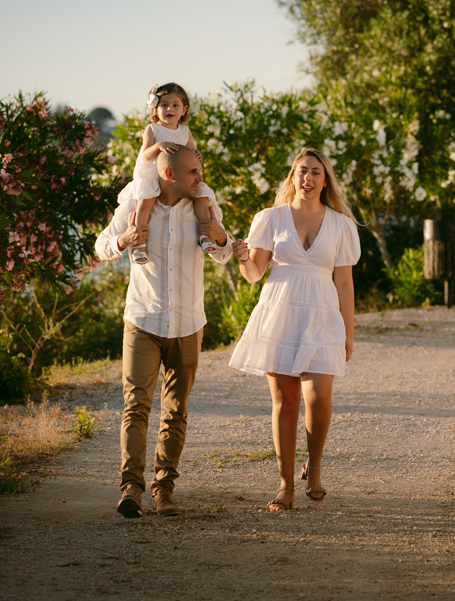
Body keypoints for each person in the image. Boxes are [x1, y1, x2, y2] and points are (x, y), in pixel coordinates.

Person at [96, 145, 235, 518]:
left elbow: (224, 255)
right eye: (193, 171)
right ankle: (131, 489)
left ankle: (164, 489)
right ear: (170, 174)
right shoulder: (135, 205)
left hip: (188, 324)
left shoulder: (204, 206)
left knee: (176, 411)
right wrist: (122, 241)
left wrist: (221, 237)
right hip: (143, 320)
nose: (200, 177)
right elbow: (102, 244)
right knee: (135, 406)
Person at [228, 148, 360, 512]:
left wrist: (348, 333)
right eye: (302, 171)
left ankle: (313, 469)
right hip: (280, 314)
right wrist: (241, 256)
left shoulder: (341, 224)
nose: (308, 178)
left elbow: (345, 283)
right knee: (286, 402)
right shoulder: (270, 219)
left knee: (318, 397)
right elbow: (254, 274)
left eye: (316, 172)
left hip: (322, 315)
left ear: (325, 180)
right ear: (292, 177)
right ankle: (285, 484)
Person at [117, 82, 218, 264]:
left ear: (183, 109)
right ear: (156, 109)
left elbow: (191, 152)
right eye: (164, 105)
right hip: (153, 175)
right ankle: (139, 246)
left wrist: (197, 155)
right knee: (144, 205)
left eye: (175, 105)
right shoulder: (153, 129)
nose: (169, 109)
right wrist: (158, 146)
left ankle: (205, 236)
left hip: (177, 179)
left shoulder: (185, 131)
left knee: (202, 196)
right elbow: (146, 155)